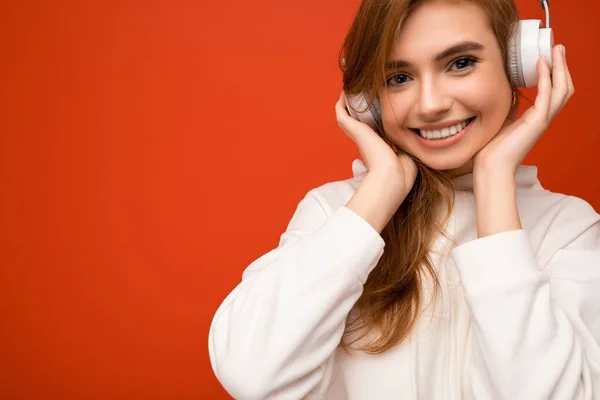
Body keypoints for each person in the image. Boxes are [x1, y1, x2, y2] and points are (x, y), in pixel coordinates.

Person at [208, 0, 600, 398]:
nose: (430, 105)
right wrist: (379, 191)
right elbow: (251, 375)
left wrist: (494, 179)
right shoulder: (334, 214)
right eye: (398, 77)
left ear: (520, 63)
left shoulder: (566, 229)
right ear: (367, 99)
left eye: (461, 63)